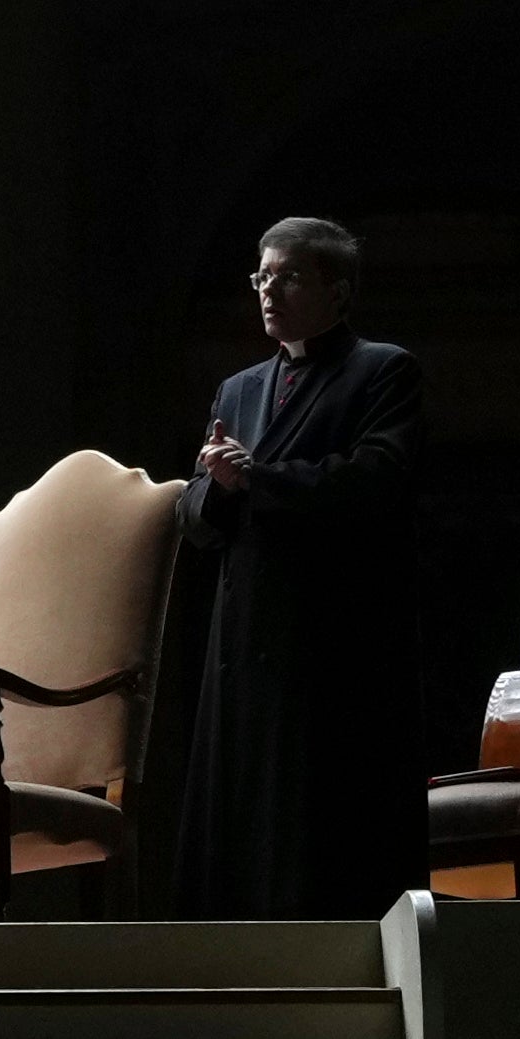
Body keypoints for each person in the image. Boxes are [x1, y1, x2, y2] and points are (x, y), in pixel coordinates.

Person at [167, 217, 430, 919]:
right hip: (243, 634)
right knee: (242, 816)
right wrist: (221, 488)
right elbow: (193, 512)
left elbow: (376, 476)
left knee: (322, 824)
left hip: (331, 635)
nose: (267, 290)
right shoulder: (237, 390)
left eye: (287, 276)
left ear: (336, 290)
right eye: (261, 276)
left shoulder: (382, 370)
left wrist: (257, 478)